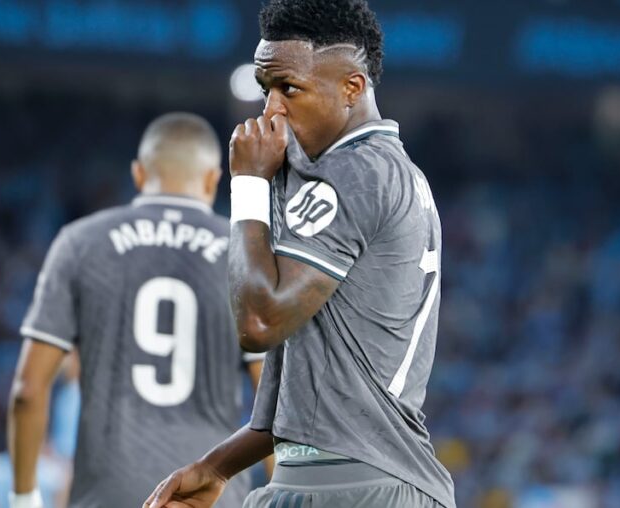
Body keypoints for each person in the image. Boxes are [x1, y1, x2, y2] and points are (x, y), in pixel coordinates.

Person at [145, 1, 456, 507]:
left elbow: (260, 323)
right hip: (353, 478)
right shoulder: (381, 173)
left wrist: (246, 186)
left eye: (289, 88)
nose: (271, 109)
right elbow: (311, 387)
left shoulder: (355, 173)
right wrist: (216, 468)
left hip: (352, 487)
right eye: (265, 88)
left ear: (352, 88)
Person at [8, 112, 265, 508]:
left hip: (105, 495)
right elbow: (275, 401)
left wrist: (23, 498)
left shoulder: (79, 243)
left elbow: (28, 391)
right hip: (211, 497)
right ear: (214, 179)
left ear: (139, 174)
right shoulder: (242, 252)